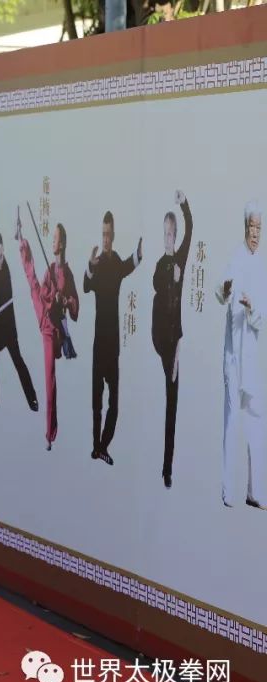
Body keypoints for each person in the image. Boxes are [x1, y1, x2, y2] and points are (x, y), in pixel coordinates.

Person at [216, 202, 266, 509]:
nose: (256, 233)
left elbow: (262, 316)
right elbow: (221, 293)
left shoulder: (263, 266)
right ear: (244, 227)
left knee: (256, 420)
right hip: (233, 355)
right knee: (232, 418)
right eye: (252, 227)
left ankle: (255, 490)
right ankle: (229, 491)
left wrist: (251, 308)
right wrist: (225, 289)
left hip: (251, 358)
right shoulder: (235, 257)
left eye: (260, 228)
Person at [83, 211, 142, 466]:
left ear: (114, 236)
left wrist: (140, 251)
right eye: (103, 234)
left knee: (114, 404)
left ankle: (102, 446)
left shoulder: (116, 262)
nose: (105, 239)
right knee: (96, 403)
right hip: (99, 344)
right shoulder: (97, 264)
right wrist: (89, 266)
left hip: (113, 345)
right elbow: (86, 286)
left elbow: (130, 264)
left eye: (109, 235)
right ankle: (96, 448)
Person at [18, 216, 79, 451]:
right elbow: (43, 293)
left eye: (55, 239)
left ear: (61, 244)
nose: (52, 242)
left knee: (49, 379)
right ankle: (22, 243)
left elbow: (74, 310)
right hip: (43, 315)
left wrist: (64, 300)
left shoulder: (67, 274)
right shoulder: (50, 270)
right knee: (33, 284)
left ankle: (50, 434)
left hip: (53, 331)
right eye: (52, 238)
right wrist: (50, 297)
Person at [151, 191, 192, 488]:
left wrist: (184, 202)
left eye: (172, 233)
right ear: (162, 235)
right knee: (170, 374)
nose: (169, 238)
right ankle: (172, 356)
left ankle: (167, 469)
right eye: (166, 233)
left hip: (174, 334)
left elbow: (192, 227)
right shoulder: (160, 265)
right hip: (160, 338)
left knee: (172, 405)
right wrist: (172, 279)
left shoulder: (181, 257)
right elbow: (157, 285)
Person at [0, 232, 37, 410]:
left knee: (18, 362)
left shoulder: (5, 271)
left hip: (8, 329)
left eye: (1, 255)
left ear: (3, 252)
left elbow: (4, 295)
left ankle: (32, 400)